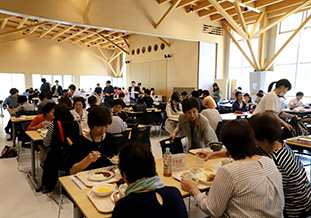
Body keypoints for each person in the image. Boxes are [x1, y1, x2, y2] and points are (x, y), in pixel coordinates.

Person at [181, 119, 284, 218]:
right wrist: (213, 154)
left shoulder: (229, 171)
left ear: (226, 145)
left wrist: (193, 189)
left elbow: (212, 210)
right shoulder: (268, 161)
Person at [249, 112, 311, 218]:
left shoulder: (276, 161)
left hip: (294, 210)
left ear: (260, 136)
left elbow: (270, 198)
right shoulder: (277, 144)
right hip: (302, 201)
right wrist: (216, 153)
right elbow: (248, 151)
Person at [112, 142, 188, 218]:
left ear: (124, 175)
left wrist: (120, 206)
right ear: (154, 168)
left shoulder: (124, 206)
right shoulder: (175, 193)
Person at [41, 103, 80, 193]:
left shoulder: (53, 125)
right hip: (74, 156)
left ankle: (47, 185)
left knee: (48, 160)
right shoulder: (76, 124)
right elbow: (79, 139)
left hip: (58, 156)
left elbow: (46, 143)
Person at [66, 105, 118, 174]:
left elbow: (115, 161)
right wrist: (88, 160)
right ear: (91, 124)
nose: (103, 130)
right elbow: (71, 171)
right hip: (85, 181)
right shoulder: (80, 142)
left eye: (106, 126)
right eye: (99, 126)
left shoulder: (110, 139)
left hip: (108, 180)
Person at [27, 102, 56, 166]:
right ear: (46, 112)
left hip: (51, 139)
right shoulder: (39, 118)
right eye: (52, 112)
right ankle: (43, 165)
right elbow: (28, 129)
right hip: (40, 141)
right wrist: (37, 127)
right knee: (45, 149)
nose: (54, 114)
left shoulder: (56, 119)